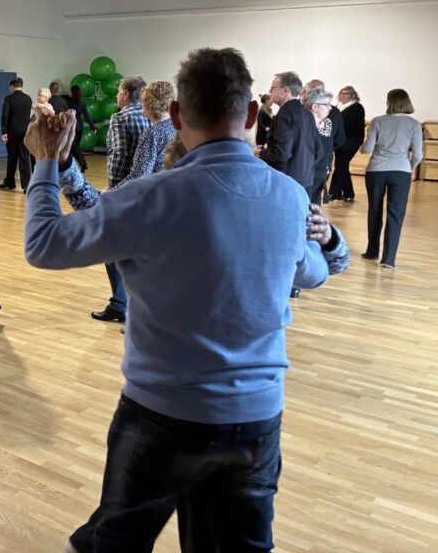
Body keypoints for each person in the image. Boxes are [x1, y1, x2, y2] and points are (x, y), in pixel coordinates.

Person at [22, 47, 350, 553]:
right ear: (254, 114)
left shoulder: (151, 196)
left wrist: (47, 164)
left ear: (175, 115)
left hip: (163, 415)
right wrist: (332, 240)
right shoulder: (289, 197)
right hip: (256, 419)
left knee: (115, 542)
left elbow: (44, 245)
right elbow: (318, 273)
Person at [92, 75, 149, 324]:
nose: (116, 95)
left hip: (124, 191)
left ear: (125, 95)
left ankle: (119, 303)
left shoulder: (120, 118)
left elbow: (118, 155)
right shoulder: (152, 117)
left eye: (118, 91)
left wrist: (112, 189)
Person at [360, 88, 423, 269]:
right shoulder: (414, 124)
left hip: (376, 170)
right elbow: (418, 155)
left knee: (375, 210)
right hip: (401, 171)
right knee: (396, 214)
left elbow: (367, 149)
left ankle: (372, 251)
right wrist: (409, 167)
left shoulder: (377, 121)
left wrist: (362, 149)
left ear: (389, 102)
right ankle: (388, 259)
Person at [257, 71, 320, 198]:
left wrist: (260, 153)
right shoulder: (307, 114)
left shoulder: (284, 115)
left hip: (286, 183)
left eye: (273, 88)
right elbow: (318, 150)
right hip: (306, 181)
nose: (270, 91)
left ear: (285, 90)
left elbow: (282, 153)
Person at [121, 80, 176, 182]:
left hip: (157, 188)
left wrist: (114, 190)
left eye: (143, 101)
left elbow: (139, 177)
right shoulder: (177, 127)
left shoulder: (152, 134)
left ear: (149, 104)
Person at [303, 86, 339, 207]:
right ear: (314, 107)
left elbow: (329, 146)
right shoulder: (303, 124)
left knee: (315, 206)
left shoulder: (327, 123)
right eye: (326, 104)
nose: (330, 108)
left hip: (321, 173)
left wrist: (327, 166)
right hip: (305, 174)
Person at [330, 85, 366, 202]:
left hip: (351, 142)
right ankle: (348, 193)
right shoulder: (338, 107)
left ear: (353, 95)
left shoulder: (357, 107)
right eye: (341, 93)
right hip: (339, 141)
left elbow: (347, 123)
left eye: (346, 94)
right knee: (342, 166)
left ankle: (333, 193)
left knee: (340, 165)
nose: (343, 96)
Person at [0, 77, 33, 192]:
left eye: (10, 87)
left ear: (13, 87)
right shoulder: (28, 99)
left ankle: (10, 182)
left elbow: (5, 115)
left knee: (12, 157)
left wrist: (4, 131)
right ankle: (26, 186)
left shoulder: (9, 98)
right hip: (25, 132)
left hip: (12, 132)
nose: (9, 89)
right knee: (24, 158)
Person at [66, 85, 96, 171]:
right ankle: (76, 165)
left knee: (73, 148)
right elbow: (87, 116)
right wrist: (93, 126)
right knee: (75, 147)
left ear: (71, 92)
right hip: (79, 128)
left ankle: (82, 164)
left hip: (71, 127)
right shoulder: (81, 103)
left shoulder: (67, 102)